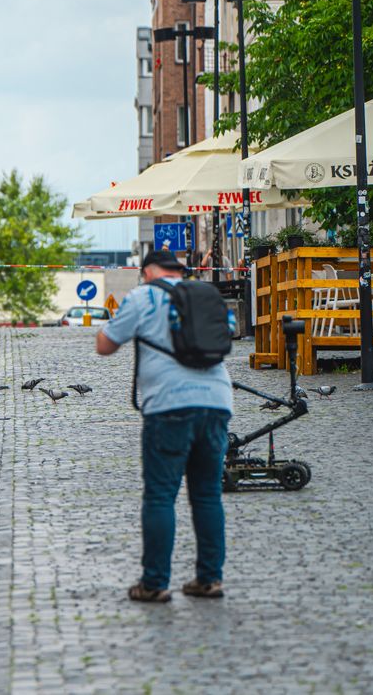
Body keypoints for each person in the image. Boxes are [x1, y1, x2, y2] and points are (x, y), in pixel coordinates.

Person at [95, 249, 233, 602]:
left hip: (169, 407)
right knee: (207, 495)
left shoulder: (143, 296)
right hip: (217, 402)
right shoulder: (207, 295)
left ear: (149, 271)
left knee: (160, 495)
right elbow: (228, 335)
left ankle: (155, 583)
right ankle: (209, 579)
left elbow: (105, 346)